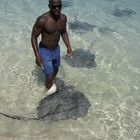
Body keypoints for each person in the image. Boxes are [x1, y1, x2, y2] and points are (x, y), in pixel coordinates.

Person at [31, 0, 72, 95]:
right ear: (49, 6)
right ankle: (48, 90)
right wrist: (37, 55)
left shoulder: (63, 18)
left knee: (56, 69)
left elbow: (64, 32)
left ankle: (49, 84)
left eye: (59, 6)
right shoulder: (42, 20)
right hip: (44, 50)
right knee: (49, 76)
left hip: (56, 49)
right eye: (54, 6)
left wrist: (68, 46)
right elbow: (33, 36)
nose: (57, 9)